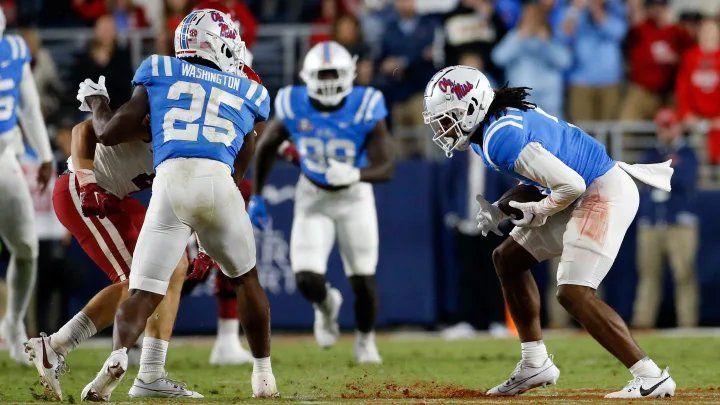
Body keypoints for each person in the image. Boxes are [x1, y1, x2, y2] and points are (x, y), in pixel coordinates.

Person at [422, 65, 676, 398]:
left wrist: (539, 210)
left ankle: (650, 376)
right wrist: (499, 207)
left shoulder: (500, 137)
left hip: (602, 191)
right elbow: (539, 179)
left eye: (446, 118)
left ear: (471, 109)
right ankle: (534, 363)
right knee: (508, 259)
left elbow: (571, 184)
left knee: (572, 292)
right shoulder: (490, 130)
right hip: (583, 189)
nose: (442, 128)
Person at [78, 9, 277, 399]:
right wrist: (219, 210)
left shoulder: (159, 70)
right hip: (218, 178)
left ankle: (116, 359)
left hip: (168, 181)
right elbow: (247, 147)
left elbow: (110, 133)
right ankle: (263, 377)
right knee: (246, 280)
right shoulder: (248, 89)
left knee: (144, 291)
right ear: (217, 44)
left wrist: (97, 102)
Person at [25, 119, 203, 400]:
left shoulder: (202, 132)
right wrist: (87, 183)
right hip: (84, 190)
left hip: (118, 197)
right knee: (141, 280)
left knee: (174, 265)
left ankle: (151, 374)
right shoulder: (160, 112)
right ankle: (56, 347)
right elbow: (82, 130)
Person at [250, 41, 394, 363]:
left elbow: (386, 166)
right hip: (313, 196)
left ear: (349, 74)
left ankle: (365, 341)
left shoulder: (366, 103)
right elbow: (267, 146)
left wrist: (356, 174)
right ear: (307, 76)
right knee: (305, 276)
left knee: (362, 277)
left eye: (334, 74)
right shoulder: (293, 102)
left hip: (354, 198)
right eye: (322, 74)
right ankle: (326, 304)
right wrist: (257, 195)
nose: (329, 81)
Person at [0, 7, 54, 366]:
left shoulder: (15, 50)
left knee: (26, 248)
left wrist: (45, 153)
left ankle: (14, 324)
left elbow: (30, 104)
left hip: (5, 157)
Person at [632, 108, 699, 329]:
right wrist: (667, 172)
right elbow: (642, 175)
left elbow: (684, 180)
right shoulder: (652, 152)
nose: (666, 131)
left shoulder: (688, 152)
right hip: (652, 222)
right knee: (648, 275)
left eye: (669, 126)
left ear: (678, 126)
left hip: (680, 223)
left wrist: (660, 174)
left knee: (684, 275)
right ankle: (643, 323)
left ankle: (687, 324)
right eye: (662, 127)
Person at [491, 2, 571, 118]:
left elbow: (565, 62)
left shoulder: (550, 36)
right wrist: (519, 38)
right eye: (528, 17)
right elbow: (498, 58)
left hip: (549, 101)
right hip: (521, 100)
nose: (532, 21)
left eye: (535, 17)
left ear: (542, 18)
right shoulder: (515, 36)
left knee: (552, 134)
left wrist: (546, 43)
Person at [620, 0, 693, 123]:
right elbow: (629, 31)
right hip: (643, 90)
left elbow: (691, 54)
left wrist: (676, 58)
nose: (658, 11)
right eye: (654, 7)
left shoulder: (677, 31)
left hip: (669, 91)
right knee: (626, 123)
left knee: (676, 124)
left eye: (661, 6)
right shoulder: (641, 29)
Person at [556, 0, 627, 121]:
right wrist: (575, 10)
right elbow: (562, 35)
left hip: (610, 82)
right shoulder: (571, 9)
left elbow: (619, 33)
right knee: (581, 132)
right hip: (580, 81)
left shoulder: (616, 8)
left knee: (607, 133)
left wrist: (595, 9)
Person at [676, 19, 720, 164]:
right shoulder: (689, 57)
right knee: (697, 161)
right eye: (705, 31)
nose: (708, 35)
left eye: (712, 31)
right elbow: (682, 89)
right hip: (696, 122)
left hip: (717, 122)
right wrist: (687, 114)